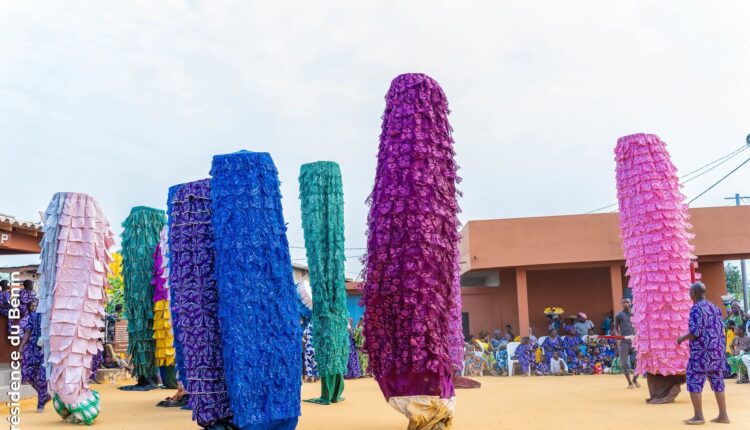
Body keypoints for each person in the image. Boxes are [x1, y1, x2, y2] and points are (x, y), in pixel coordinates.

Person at [677, 282, 730, 425]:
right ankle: (723, 415)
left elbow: (695, 332)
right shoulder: (715, 307)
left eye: (690, 292)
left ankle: (698, 416)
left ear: (694, 293)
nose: (689, 294)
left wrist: (681, 339)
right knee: (717, 381)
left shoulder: (696, 308)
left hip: (701, 352)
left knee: (694, 380)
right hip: (717, 351)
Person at [18, 300, 50, 412]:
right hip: (32, 349)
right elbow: (27, 332)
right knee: (28, 376)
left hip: (46, 350)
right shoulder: (33, 316)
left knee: (41, 377)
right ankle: (44, 395)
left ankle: (41, 403)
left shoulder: (51, 316)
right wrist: (21, 347)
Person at [614, 297, 639, 389]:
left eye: (627, 302)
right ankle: (629, 383)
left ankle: (635, 379)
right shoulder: (619, 315)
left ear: (630, 303)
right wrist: (617, 334)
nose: (625, 304)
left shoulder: (635, 314)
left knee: (637, 362)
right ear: (621, 304)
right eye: (624, 302)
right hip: (624, 342)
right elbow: (615, 328)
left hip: (635, 342)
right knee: (624, 364)